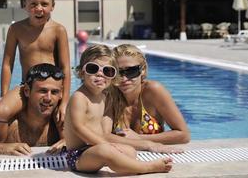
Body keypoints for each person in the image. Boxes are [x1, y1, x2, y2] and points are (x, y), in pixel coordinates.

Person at [64, 45, 173, 174]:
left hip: (94, 149)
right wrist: (104, 144)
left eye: (107, 71)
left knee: (129, 151)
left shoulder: (103, 97)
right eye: (92, 69)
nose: (100, 74)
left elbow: (103, 131)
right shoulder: (79, 97)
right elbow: (78, 128)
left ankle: (120, 161)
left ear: (113, 77)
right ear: (82, 72)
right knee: (106, 150)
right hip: (77, 156)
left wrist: (109, 145)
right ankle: (146, 168)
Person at [0, 0, 70, 125]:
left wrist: (64, 101)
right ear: (24, 4)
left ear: (53, 6)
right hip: (27, 86)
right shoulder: (16, 30)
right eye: (33, 4)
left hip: (52, 87)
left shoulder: (58, 30)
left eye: (44, 4)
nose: (39, 8)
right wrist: (4, 95)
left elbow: (65, 68)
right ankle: (3, 146)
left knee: (64, 121)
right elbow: (7, 64)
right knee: (2, 111)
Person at [105, 44, 190, 144]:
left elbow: (184, 135)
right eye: (118, 73)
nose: (124, 79)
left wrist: (139, 138)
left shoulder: (153, 91)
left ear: (143, 69)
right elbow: (103, 135)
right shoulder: (110, 95)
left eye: (131, 71)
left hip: (153, 156)